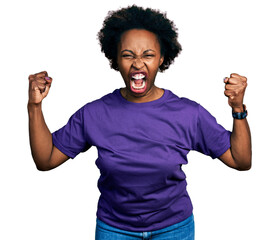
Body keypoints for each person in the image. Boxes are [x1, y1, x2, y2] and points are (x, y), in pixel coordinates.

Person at [27, 5, 251, 240]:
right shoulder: (94, 114)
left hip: (174, 228)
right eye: (128, 54)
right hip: (114, 229)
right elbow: (46, 159)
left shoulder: (188, 114)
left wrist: (238, 109)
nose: (137, 63)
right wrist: (34, 106)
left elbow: (241, 160)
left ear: (162, 59)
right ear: (116, 59)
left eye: (148, 54)